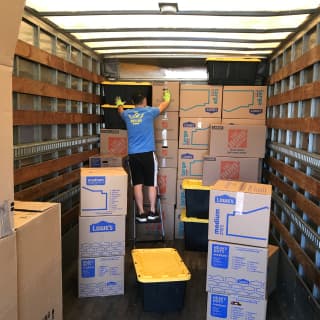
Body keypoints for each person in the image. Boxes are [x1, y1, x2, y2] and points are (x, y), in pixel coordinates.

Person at [116, 90, 171, 223]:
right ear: (145, 101)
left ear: (133, 103)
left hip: (133, 155)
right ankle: (152, 211)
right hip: (147, 154)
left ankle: (141, 213)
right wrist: (167, 98)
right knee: (151, 184)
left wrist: (119, 104)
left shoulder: (127, 114)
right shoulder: (149, 112)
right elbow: (164, 105)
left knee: (137, 184)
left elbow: (120, 111)